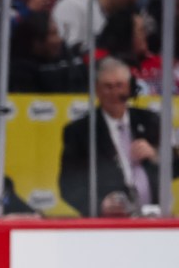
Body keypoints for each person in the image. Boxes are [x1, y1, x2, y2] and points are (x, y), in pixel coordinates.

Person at [59, 57, 179, 217]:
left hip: (153, 217)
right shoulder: (81, 131)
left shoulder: (150, 121)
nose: (115, 93)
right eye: (108, 87)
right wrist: (99, 205)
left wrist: (155, 154)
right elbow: (68, 184)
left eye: (119, 86)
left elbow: (174, 168)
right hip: (108, 223)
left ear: (129, 88)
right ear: (97, 89)